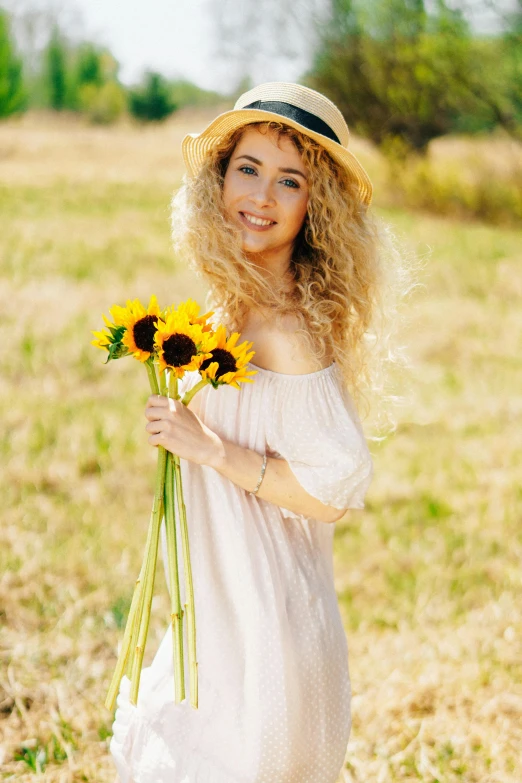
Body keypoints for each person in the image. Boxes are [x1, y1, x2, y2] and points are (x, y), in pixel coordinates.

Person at [109, 81, 402, 783]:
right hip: (214, 604)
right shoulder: (227, 307)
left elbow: (336, 486)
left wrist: (211, 448)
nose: (261, 197)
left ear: (314, 206)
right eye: (248, 168)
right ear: (219, 177)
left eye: (288, 181)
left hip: (265, 619)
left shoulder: (289, 330)